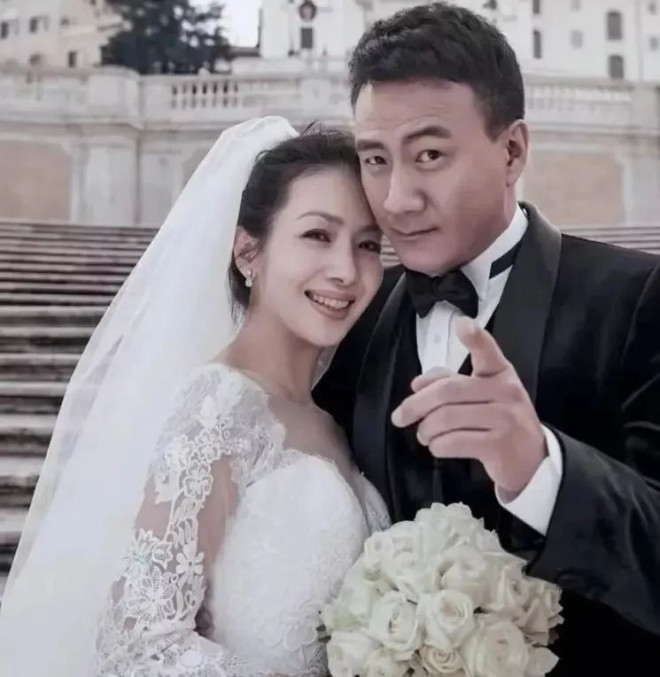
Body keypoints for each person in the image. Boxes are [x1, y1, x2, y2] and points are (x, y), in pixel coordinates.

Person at [314, 3, 660, 673]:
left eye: (430, 155)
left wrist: (542, 468)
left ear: (513, 151)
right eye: (375, 159)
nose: (397, 198)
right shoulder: (348, 321)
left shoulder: (639, 299)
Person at [0, 117, 390, 676]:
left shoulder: (331, 417)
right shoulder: (221, 406)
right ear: (248, 252)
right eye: (317, 236)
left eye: (368, 244)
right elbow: (140, 645)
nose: (346, 271)